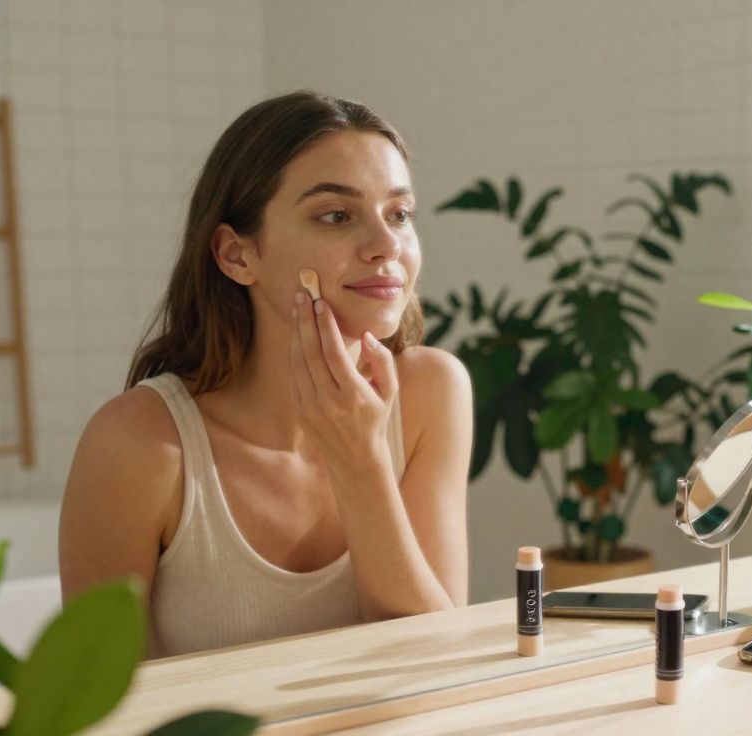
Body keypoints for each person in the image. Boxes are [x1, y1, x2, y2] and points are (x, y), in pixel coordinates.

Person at [59, 91, 473, 658]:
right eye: (336, 215)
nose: (387, 247)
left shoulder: (432, 392)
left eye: (399, 214)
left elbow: (436, 659)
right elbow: (95, 693)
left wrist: (361, 461)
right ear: (237, 255)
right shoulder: (137, 443)